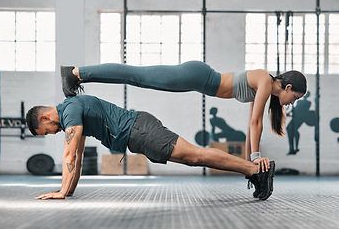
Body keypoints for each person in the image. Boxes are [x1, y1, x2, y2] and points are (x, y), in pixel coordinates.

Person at [61, 61, 307, 169]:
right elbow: (256, 123)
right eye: (294, 98)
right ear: (287, 88)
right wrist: (255, 157)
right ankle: (76, 72)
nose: (291, 102)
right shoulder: (264, 80)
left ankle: (78, 74)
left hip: (198, 79)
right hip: (199, 76)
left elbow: (251, 126)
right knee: (137, 76)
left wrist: (248, 164)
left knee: (138, 78)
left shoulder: (263, 88)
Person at [26, 94, 275, 200]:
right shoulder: (73, 111)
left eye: (46, 131)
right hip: (138, 134)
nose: (52, 133)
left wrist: (60, 192)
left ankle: (256, 171)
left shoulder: (69, 111)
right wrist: (67, 191)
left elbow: (69, 153)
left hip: (140, 131)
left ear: (45, 118)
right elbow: (77, 156)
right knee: (193, 159)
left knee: (195, 155)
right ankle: (254, 172)